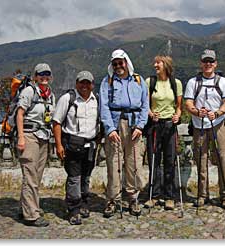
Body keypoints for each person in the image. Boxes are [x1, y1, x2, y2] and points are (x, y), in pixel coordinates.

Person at [100, 49, 149, 217]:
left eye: (120, 63)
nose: (118, 66)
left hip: (134, 124)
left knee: (133, 162)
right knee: (114, 163)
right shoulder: (107, 82)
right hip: (115, 124)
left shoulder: (138, 80)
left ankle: (133, 198)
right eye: (115, 64)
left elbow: (145, 104)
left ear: (126, 62)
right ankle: (112, 199)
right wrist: (110, 128)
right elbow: (104, 106)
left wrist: (140, 126)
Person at [184, 49, 225, 208]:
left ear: (215, 63)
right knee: (201, 161)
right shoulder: (193, 82)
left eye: (211, 61)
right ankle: (202, 195)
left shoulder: (223, 81)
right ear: (201, 63)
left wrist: (217, 112)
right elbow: (188, 104)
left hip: (218, 124)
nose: (208, 64)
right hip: (199, 126)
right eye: (205, 61)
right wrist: (197, 112)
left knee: (222, 159)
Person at [52, 71, 100, 225]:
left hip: (90, 146)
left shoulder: (97, 100)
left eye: (88, 83)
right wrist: (59, 145)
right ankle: (73, 210)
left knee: (86, 177)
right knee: (74, 178)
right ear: (76, 83)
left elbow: (100, 123)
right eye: (82, 82)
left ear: (92, 84)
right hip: (72, 145)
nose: (85, 86)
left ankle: (84, 204)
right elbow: (57, 122)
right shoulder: (67, 99)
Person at [16, 63, 55, 227]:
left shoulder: (50, 95)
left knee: (36, 176)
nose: (44, 77)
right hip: (29, 136)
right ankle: (31, 215)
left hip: (43, 137)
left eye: (47, 74)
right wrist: (21, 137)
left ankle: (25, 207)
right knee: (30, 176)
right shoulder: (29, 92)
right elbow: (20, 113)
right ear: (35, 77)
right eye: (41, 74)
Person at [143, 55, 183, 210]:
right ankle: (153, 195)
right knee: (154, 161)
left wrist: (177, 115)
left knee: (170, 161)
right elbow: (145, 103)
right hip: (154, 126)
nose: (155, 65)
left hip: (170, 125)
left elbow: (179, 106)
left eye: (158, 62)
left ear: (166, 65)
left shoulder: (176, 83)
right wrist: (150, 113)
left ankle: (169, 197)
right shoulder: (150, 82)